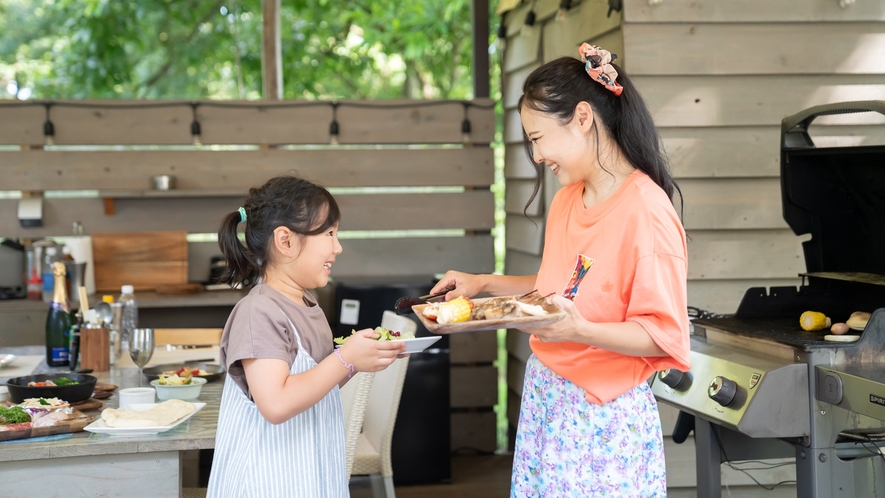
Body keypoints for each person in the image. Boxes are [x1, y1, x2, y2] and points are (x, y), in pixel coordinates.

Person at [430, 44, 691, 497]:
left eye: (537, 138)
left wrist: (580, 329)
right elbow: (560, 287)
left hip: (603, 417)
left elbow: (663, 334)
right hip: (548, 398)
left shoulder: (647, 211)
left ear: (583, 118)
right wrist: (483, 283)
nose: (536, 156)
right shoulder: (569, 198)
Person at [207, 176, 406, 498]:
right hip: (267, 481)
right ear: (285, 241)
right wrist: (345, 359)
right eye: (329, 234)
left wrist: (360, 360)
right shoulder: (259, 312)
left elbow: (313, 385)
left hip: (310, 472)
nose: (337, 247)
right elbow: (276, 403)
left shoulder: (305, 302)